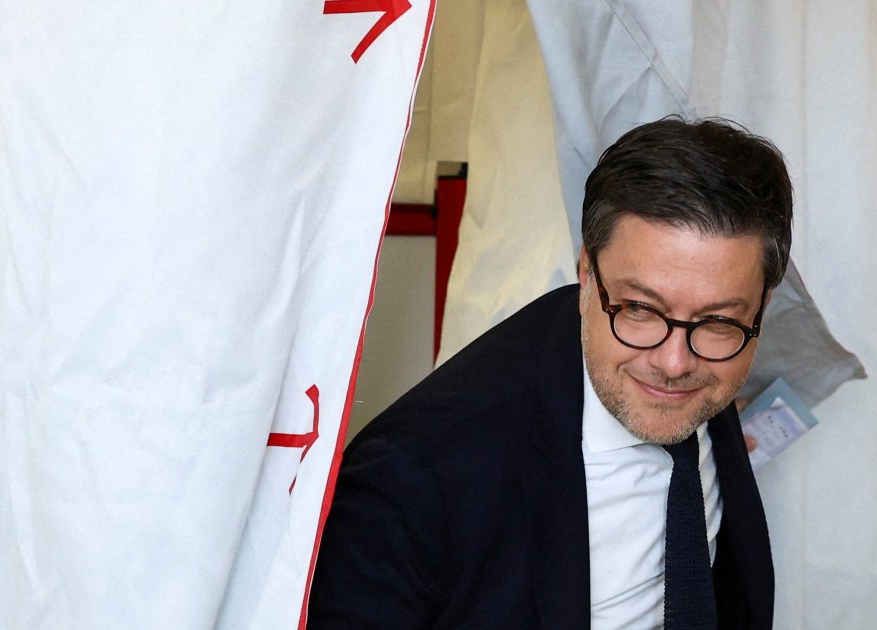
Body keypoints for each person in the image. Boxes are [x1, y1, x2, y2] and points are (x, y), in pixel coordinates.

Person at [307, 117, 791, 629]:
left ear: (761, 306)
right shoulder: (411, 480)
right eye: (640, 310)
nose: (674, 365)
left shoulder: (708, 364)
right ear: (587, 276)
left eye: (717, 322)